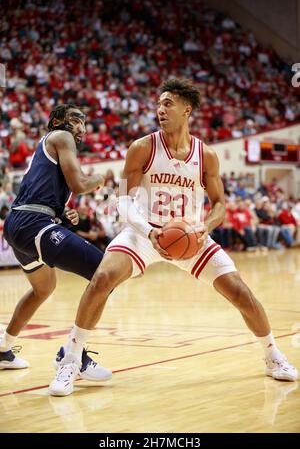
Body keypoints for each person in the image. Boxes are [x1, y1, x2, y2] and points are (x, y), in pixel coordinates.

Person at [49, 80, 297, 396]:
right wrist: (149, 232)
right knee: (102, 278)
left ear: (186, 109)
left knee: (241, 293)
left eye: (168, 103)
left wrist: (204, 228)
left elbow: (220, 204)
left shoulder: (206, 155)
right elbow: (123, 200)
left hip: (191, 236)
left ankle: (272, 355)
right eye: (159, 103)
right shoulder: (142, 147)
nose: (160, 109)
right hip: (145, 231)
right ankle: (71, 359)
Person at [0, 104, 112, 386]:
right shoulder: (61, 136)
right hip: (32, 223)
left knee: (43, 288)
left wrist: (62, 213)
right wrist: (99, 179)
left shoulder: (51, 148)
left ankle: (3, 348)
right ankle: (72, 354)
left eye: (84, 121)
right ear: (57, 122)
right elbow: (79, 183)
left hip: (19, 222)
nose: (81, 126)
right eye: (75, 119)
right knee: (105, 272)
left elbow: (42, 189)